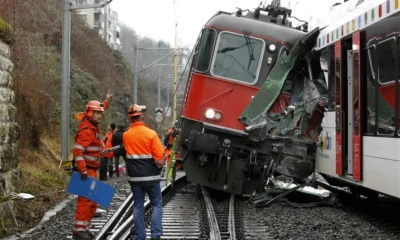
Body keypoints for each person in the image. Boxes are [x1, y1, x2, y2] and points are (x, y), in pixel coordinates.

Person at [72, 91, 113, 240]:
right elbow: (77, 151)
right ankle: (79, 230)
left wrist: (105, 101)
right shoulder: (86, 130)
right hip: (87, 170)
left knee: (93, 200)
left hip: (92, 169)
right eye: (97, 113)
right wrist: (82, 170)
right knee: (85, 200)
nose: (100, 116)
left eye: (101, 113)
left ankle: (85, 227)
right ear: (90, 114)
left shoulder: (92, 126)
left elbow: (99, 109)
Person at [123, 104, 164, 240]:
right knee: (157, 204)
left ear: (130, 119)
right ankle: (155, 234)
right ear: (142, 116)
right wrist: (159, 166)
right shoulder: (151, 134)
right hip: (152, 177)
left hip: (135, 178)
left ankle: (140, 236)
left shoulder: (126, 135)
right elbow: (159, 157)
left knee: (138, 206)